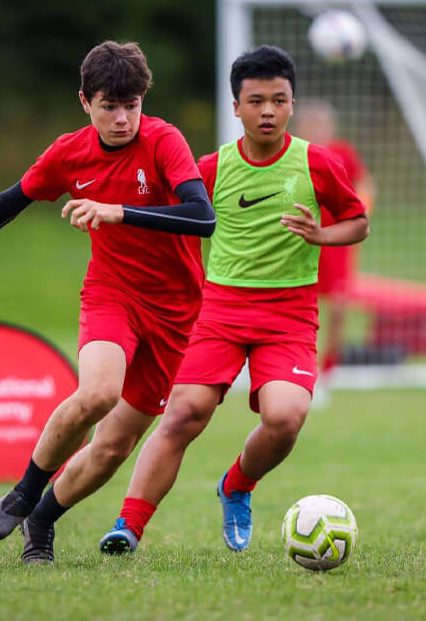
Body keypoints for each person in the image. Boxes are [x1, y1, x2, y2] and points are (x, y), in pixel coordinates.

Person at [0, 41, 216, 564]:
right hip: (112, 293)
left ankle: (42, 520)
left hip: (174, 313)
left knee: (114, 449)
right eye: (109, 106)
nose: (123, 119)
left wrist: (121, 211)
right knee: (98, 394)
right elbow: (10, 201)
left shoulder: (164, 141)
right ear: (84, 102)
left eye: (132, 106)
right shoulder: (69, 153)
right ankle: (23, 492)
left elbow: (201, 216)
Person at [99, 45, 369, 555]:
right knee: (184, 413)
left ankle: (237, 485)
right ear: (237, 107)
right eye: (256, 100)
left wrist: (321, 236)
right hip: (219, 310)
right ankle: (128, 527)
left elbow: (358, 222)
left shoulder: (316, 162)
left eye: (279, 100)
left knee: (285, 419)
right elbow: (174, 219)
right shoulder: (212, 167)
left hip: (288, 314)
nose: (268, 110)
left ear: (292, 104)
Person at [293, 101, 375, 406]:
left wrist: (362, 210)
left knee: (340, 308)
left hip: (337, 243)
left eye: (322, 124)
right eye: (311, 123)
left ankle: (329, 371)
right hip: (303, 243)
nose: (317, 129)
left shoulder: (342, 153)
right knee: (301, 311)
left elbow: (365, 184)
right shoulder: (294, 154)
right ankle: (302, 371)